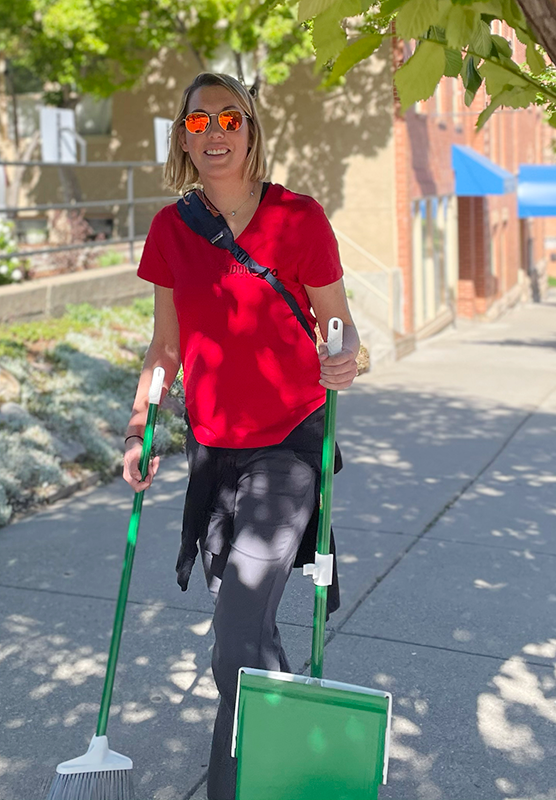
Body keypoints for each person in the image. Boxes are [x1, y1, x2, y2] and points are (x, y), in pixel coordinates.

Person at [122, 72, 360, 800]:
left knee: (239, 617)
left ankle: (242, 787)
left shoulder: (300, 219)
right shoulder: (171, 230)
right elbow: (166, 350)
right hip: (213, 453)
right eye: (198, 122)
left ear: (252, 130)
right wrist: (141, 427)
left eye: (230, 118)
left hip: (289, 446)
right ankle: (299, 760)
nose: (215, 132)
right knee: (245, 633)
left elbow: (339, 326)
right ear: (183, 137)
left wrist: (347, 356)